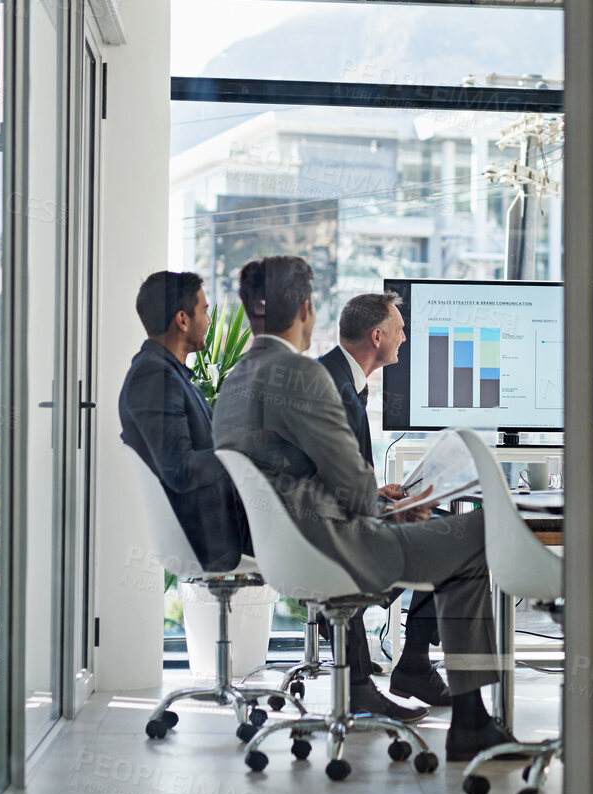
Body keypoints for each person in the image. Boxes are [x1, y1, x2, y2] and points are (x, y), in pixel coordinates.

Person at [214, 256, 515, 763]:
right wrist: (395, 510)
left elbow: (303, 479)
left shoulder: (236, 380)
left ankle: (440, 690)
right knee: (483, 529)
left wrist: (383, 503)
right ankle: (468, 720)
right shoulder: (303, 377)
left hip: (282, 549)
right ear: (306, 310)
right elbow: (354, 490)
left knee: (452, 540)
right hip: (333, 548)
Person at [319, 292, 448, 708]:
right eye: (400, 330)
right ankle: (405, 664)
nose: (405, 338)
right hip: (332, 533)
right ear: (377, 336)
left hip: (333, 517)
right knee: (450, 537)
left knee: (438, 524)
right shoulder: (334, 388)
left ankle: (409, 663)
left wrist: (375, 495)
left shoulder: (338, 378)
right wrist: (387, 509)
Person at [119, 270, 249, 572]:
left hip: (225, 523)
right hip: (216, 536)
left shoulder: (168, 374)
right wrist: (242, 455)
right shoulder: (153, 378)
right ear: (182, 319)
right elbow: (181, 470)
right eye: (204, 311)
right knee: (329, 525)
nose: (209, 321)